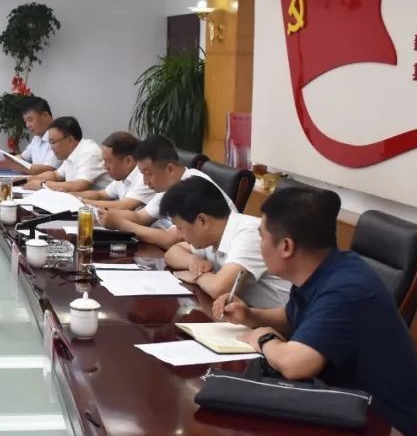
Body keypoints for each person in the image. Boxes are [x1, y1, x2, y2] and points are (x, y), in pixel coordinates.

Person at [215, 187, 417, 436]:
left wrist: (264, 338)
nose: (259, 244)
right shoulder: (324, 268)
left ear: (286, 246)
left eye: (261, 237)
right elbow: (294, 318)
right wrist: (250, 315)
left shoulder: (347, 288)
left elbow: (296, 364)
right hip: (342, 414)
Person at [160, 176, 290, 308]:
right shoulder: (210, 235)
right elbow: (172, 253)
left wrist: (197, 276)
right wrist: (193, 261)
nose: (179, 234)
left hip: (283, 319)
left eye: (180, 228)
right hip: (245, 313)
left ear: (202, 221)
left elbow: (219, 289)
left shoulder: (251, 233)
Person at [101, 134, 235, 250]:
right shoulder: (169, 186)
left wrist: (120, 224)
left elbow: (170, 239)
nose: (145, 181)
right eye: (142, 174)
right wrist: (104, 215)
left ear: (170, 168)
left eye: (148, 173)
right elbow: (140, 217)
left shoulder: (192, 186)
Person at [22, 117, 110, 193]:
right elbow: (55, 175)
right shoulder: (71, 153)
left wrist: (42, 184)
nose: (51, 148)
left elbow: (78, 186)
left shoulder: (89, 153)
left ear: (69, 140)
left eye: (53, 142)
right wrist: (27, 179)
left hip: (103, 204)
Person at [75, 131, 155, 211]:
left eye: (108, 161)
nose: (104, 165)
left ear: (128, 161)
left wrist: (80, 201)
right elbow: (100, 194)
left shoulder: (145, 178)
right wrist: (71, 195)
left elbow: (122, 206)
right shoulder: (122, 175)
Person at [0, 97, 61, 176]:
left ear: (45, 115)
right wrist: (5, 160)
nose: (27, 125)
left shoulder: (59, 136)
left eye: (30, 120)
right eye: (25, 121)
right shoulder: (37, 138)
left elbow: (48, 169)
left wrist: (11, 164)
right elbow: (23, 157)